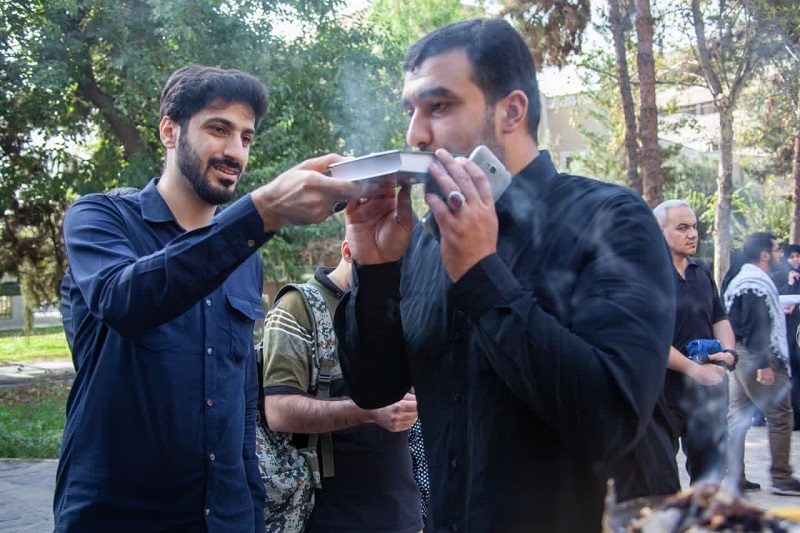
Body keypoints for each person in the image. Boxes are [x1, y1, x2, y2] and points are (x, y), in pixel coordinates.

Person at [334, 19, 675, 532]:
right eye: (410, 111)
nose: (415, 134)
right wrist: (375, 268)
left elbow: (611, 420)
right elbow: (376, 389)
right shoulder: (427, 240)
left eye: (438, 106)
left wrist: (480, 273)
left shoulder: (611, 220)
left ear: (511, 111)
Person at [55, 65, 363, 532]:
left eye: (246, 137)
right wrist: (264, 211)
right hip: (118, 514)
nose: (235, 151)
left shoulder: (245, 258)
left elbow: (241, 400)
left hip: (225, 517)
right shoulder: (99, 218)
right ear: (169, 131)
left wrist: (251, 508)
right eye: (218, 129)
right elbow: (125, 301)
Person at [260, 235, 423, 533]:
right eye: (375, 268)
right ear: (348, 251)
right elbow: (278, 411)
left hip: (402, 513)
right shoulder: (297, 308)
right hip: (330, 516)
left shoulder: (398, 307)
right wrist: (369, 411)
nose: (385, 279)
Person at [653, 200, 737, 486]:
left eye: (694, 227)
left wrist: (728, 354)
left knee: (710, 476)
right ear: (659, 232)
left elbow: (719, 318)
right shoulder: (647, 276)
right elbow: (649, 339)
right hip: (663, 394)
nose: (692, 234)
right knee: (660, 480)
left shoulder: (701, 271)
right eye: (682, 228)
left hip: (708, 393)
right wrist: (694, 370)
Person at [723, 232, 800, 496]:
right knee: (780, 415)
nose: (780, 255)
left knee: (737, 418)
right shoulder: (755, 283)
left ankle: (734, 476)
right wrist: (763, 365)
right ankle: (781, 478)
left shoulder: (744, 279)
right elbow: (755, 324)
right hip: (756, 357)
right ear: (765, 255)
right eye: (777, 250)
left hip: (739, 355)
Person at [773, 244, 800, 430]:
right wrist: (789, 285)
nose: (795, 260)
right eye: (791, 257)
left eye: (798, 256)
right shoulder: (778, 277)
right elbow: (775, 300)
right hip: (787, 335)